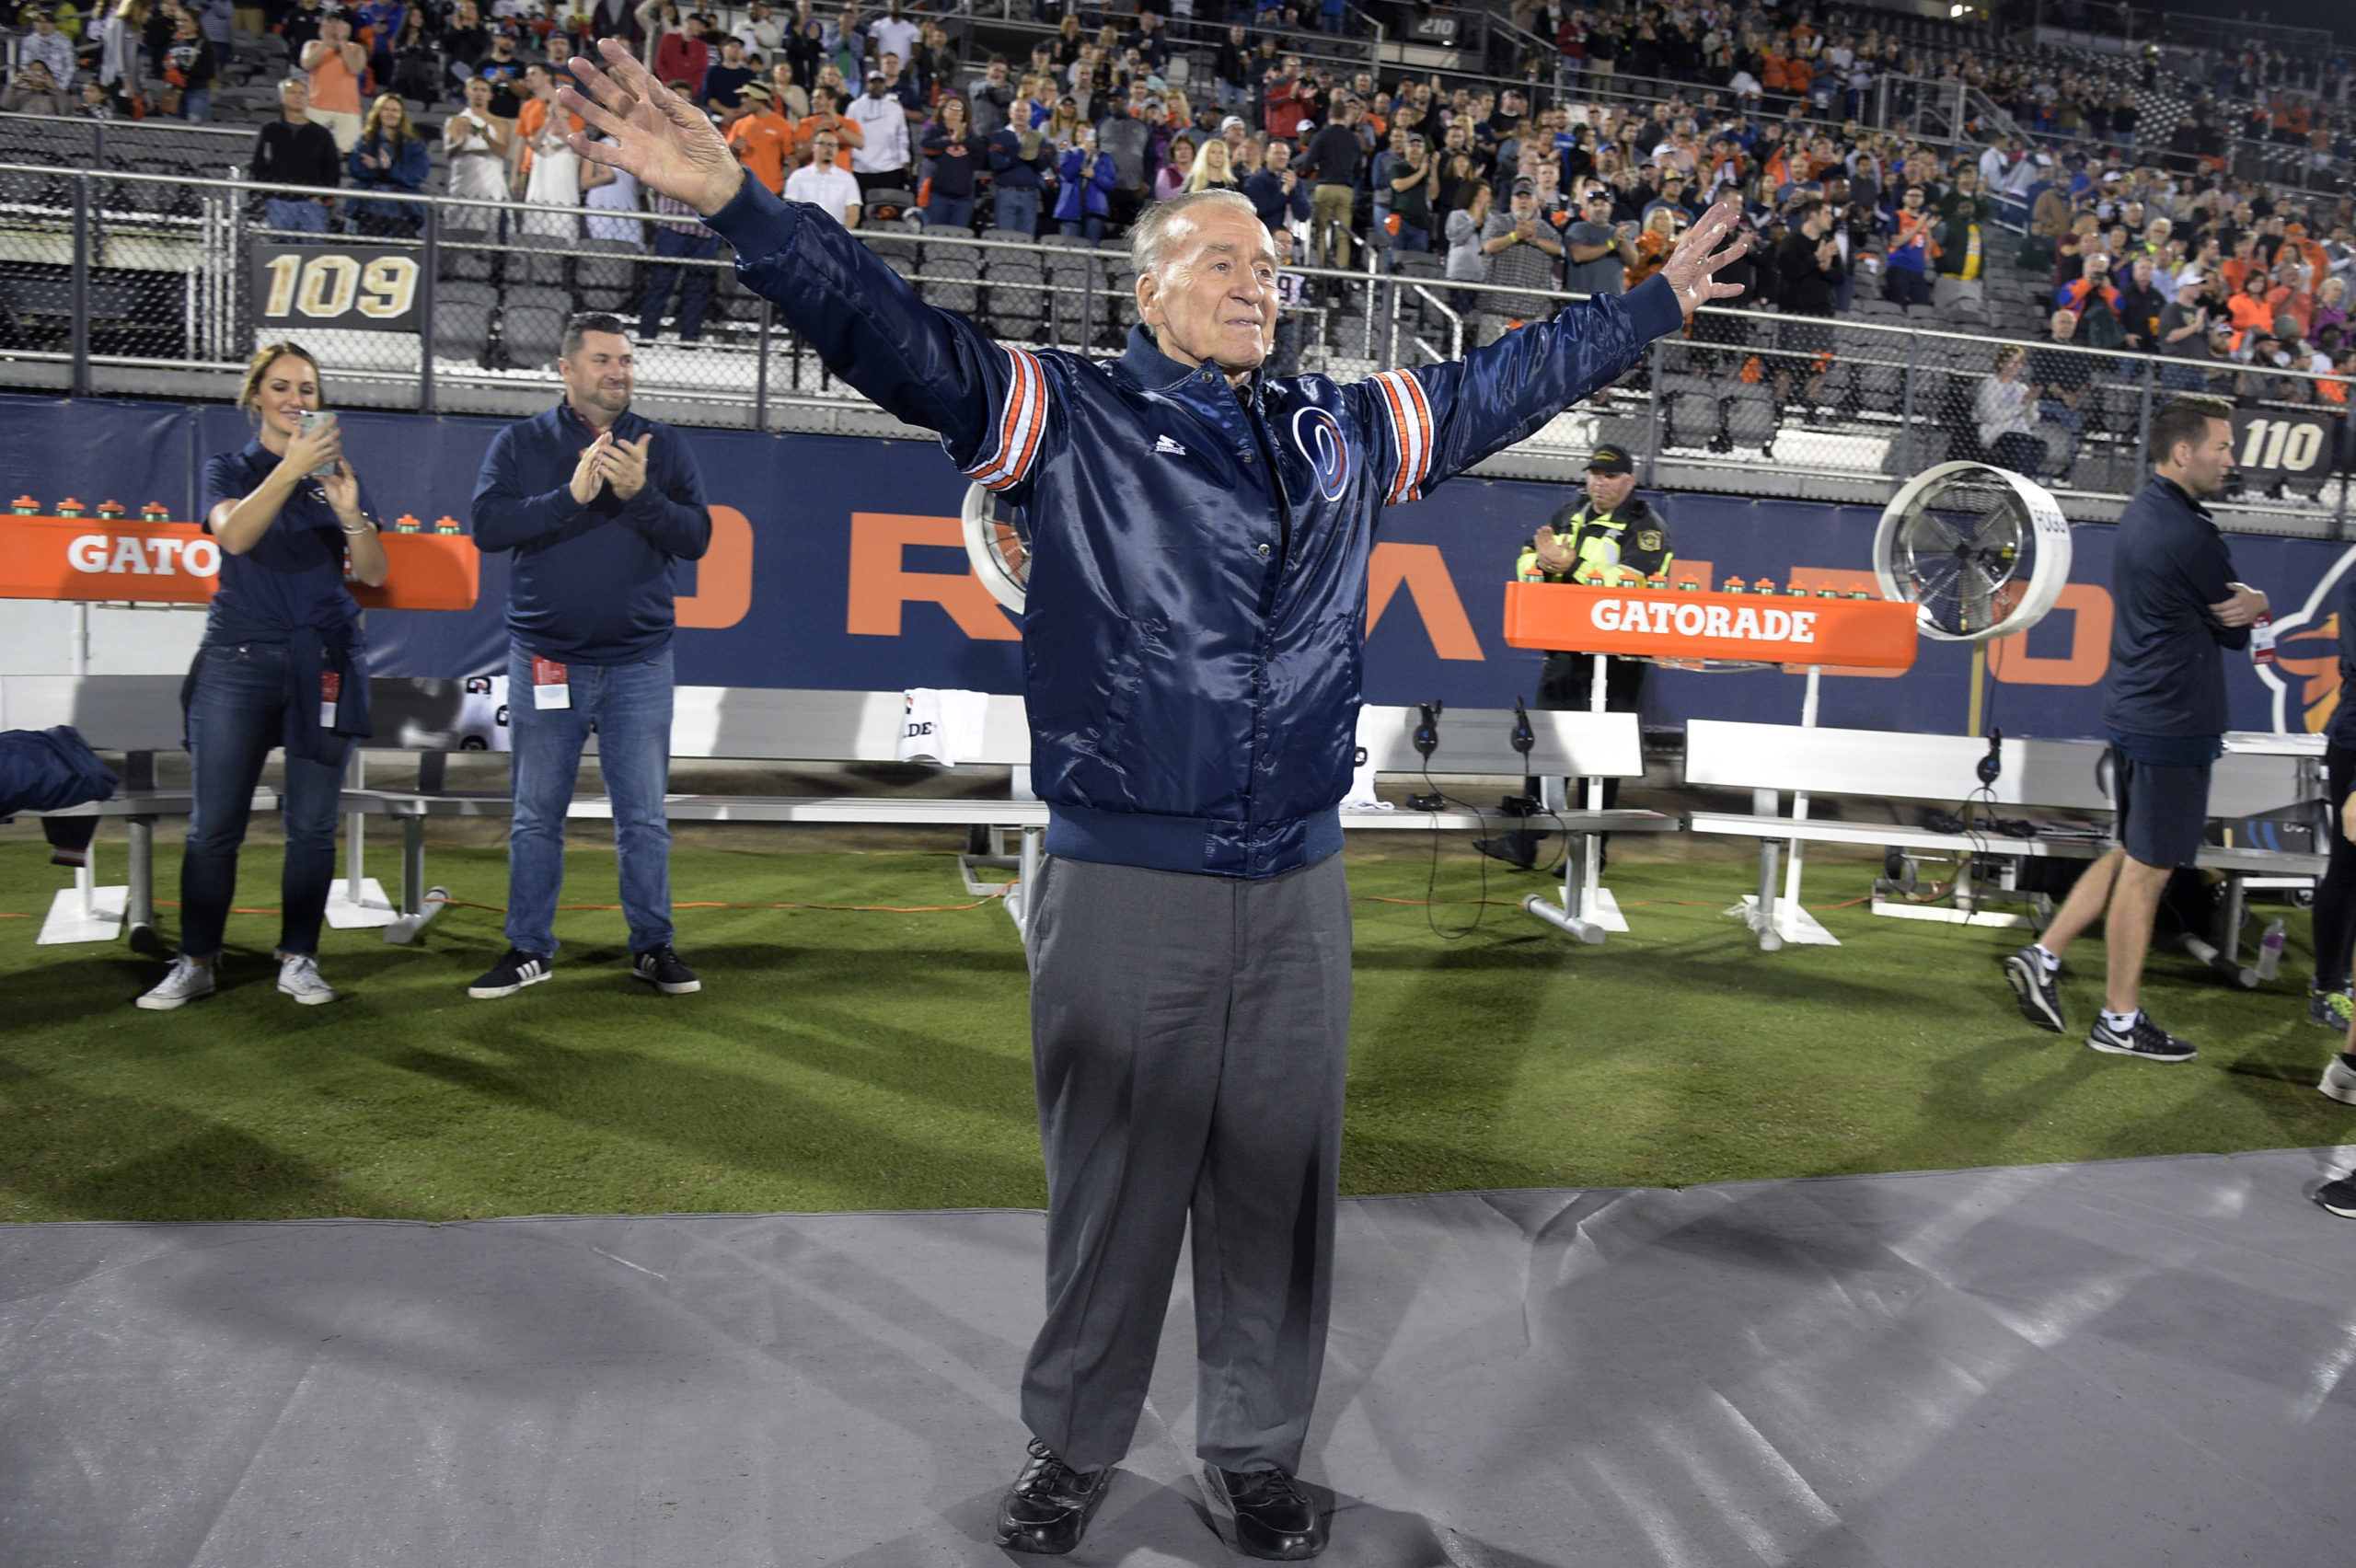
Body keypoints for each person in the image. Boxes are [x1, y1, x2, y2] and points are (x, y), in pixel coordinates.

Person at [551, 36, 1746, 1561]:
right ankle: (1072, 1442)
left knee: (1277, 1190)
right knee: (1111, 1195)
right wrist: (740, 199)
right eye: (1230, 263)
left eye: (1272, 269)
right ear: (1155, 288)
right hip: (1125, 877)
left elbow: (1510, 381)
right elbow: (888, 332)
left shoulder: (1347, 429)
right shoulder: (1067, 415)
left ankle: (1254, 1451)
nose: (1263, 286)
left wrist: (1645, 307)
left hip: (1300, 878)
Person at [2004, 396, 2264, 1063]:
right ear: (2184, 452)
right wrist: (2259, 603)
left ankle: (2044, 953)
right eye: (2223, 447)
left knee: (2130, 850)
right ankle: (2118, 1021)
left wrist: (2237, 611)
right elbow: (2235, 625)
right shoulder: (2189, 532)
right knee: (2149, 869)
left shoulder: (2144, 512)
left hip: (2140, 713)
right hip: (2172, 722)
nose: (2231, 460)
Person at [135, 343, 388, 1011]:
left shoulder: (335, 471)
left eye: (306, 387)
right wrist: (288, 471)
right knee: (214, 826)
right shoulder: (230, 468)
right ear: (255, 398)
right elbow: (236, 536)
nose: (295, 398)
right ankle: (196, 959)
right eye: (280, 386)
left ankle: (300, 959)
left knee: (310, 825)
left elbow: (372, 572)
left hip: (325, 663)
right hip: (237, 664)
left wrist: (350, 511)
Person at [468, 313, 711, 1001]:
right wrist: (569, 498)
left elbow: (695, 537)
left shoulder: (660, 446)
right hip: (548, 661)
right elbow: (488, 526)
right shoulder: (520, 443)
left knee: (643, 819)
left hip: (639, 664)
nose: (618, 372)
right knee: (535, 816)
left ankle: (653, 947)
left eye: (627, 361)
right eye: (603, 360)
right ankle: (528, 948)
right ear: (566, 369)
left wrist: (641, 496)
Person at [1482, 443, 1670, 869]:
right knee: (1545, 747)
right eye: (1593, 474)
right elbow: (1529, 558)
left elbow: (1630, 583)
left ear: (1629, 481)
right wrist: (1544, 563)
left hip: (1618, 660)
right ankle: (1522, 841)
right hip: (1564, 651)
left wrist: (1570, 564)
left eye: (1608, 476)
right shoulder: (1570, 514)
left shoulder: (1646, 526)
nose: (1597, 483)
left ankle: (1589, 854)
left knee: (1599, 760)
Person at [251, 77, 341, 236]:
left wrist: (321, 197)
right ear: (282, 98)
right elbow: (259, 165)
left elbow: (332, 169)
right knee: (279, 252)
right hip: (278, 203)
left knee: (313, 252)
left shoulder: (322, 134)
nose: (298, 97)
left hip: (312, 205)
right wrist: (268, 195)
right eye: (292, 93)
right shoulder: (270, 130)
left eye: (302, 93)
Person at [347, 92, 429, 236]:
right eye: (386, 109)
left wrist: (390, 168)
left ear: (402, 115)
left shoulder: (415, 144)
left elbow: (417, 175)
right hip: (368, 210)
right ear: (378, 113)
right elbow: (355, 168)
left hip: (403, 212)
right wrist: (376, 169)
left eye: (395, 110)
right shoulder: (364, 141)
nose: (390, 114)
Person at [445, 75, 516, 213]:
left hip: (493, 186)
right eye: (475, 89)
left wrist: (487, 138)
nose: (479, 94)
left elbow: (502, 153)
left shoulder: (500, 123)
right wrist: (462, 141)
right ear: (467, 92)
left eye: (483, 90)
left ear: (490, 95)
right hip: (463, 182)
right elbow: (449, 152)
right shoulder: (455, 121)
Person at [296, 12, 366, 151]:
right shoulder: (312, 45)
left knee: (347, 152)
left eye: (338, 22)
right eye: (330, 21)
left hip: (348, 111)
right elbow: (307, 64)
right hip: (316, 108)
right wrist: (324, 44)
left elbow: (355, 69)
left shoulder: (356, 48)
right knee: (309, 150)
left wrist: (342, 42)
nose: (334, 25)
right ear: (323, 24)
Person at [1976, 344, 2045, 475]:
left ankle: (2025, 478)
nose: (2016, 366)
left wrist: (2031, 403)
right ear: (2002, 364)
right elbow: (1990, 417)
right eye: (2013, 362)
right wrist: (2022, 405)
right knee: (2018, 443)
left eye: (2019, 363)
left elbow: (2032, 421)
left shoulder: (2022, 388)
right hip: (1999, 433)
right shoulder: (1990, 385)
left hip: (2023, 433)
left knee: (2040, 446)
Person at [918, 95, 978, 230]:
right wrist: (951, 140)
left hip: (963, 197)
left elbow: (980, 157)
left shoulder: (971, 134)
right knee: (934, 234)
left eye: (959, 108)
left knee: (958, 236)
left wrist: (964, 139)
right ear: (943, 110)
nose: (955, 111)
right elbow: (925, 147)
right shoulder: (933, 130)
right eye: (952, 107)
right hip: (936, 195)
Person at [781, 126, 859, 225]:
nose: (828, 149)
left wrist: (842, 236)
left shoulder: (848, 179)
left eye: (833, 145)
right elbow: (790, 209)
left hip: (835, 236)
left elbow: (853, 213)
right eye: (823, 144)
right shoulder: (798, 176)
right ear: (814, 147)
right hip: (805, 235)